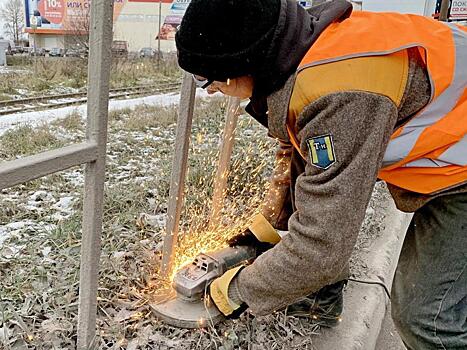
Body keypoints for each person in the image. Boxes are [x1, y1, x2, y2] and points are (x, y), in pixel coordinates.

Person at [175, 0, 467, 348]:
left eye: (205, 79)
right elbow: (305, 153)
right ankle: (318, 301)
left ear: (240, 65)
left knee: (426, 316)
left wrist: (235, 291)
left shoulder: (344, 96)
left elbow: (322, 247)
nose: (210, 90)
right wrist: (267, 228)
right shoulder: (304, 48)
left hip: (459, 172)